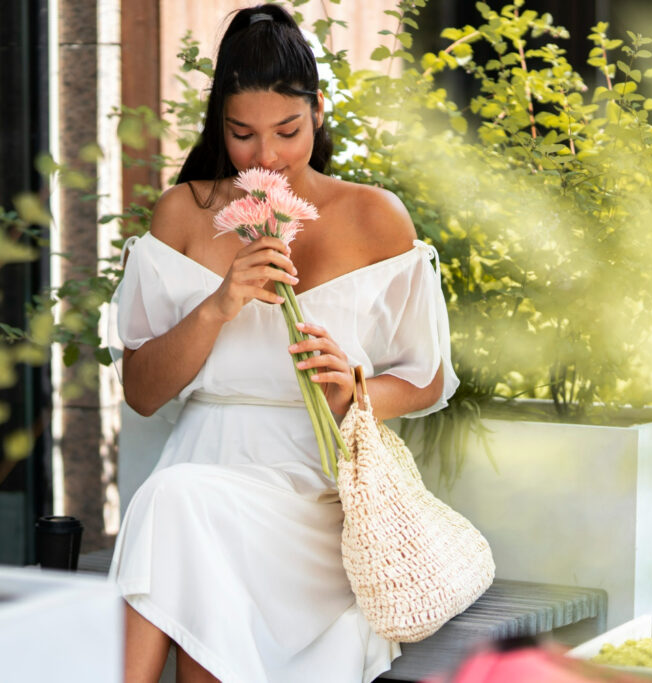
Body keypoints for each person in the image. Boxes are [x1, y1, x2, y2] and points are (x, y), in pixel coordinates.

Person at [109, 4, 459, 682]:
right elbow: (143, 392)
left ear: (318, 112)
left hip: (314, 494)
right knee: (178, 506)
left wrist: (351, 387)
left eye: (287, 131)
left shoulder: (374, 216)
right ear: (220, 125)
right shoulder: (183, 213)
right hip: (203, 473)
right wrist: (220, 305)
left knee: (173, 509)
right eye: (241, 134)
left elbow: (427, 377)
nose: (266, 156)